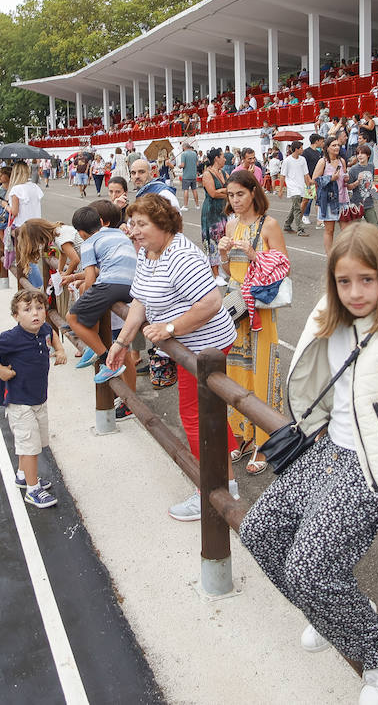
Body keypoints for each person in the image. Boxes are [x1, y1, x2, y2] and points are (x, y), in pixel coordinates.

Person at [239, 223, 378, 705]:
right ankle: (335, 615)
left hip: (372, 464)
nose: (355, 292)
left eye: (367, 279)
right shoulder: (331, 312)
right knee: (259, 531)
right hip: (329, 449)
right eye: (344, 281)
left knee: (309, 569)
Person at [106, 195, 240, 520]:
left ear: (163, 224)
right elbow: (139, 300)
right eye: (132, 223)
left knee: (193, 417)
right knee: (205, 413)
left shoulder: (181, 254)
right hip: (187, 346)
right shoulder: (149, 252)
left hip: (204, 346)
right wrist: (121, 342)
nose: (133, 230)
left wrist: (169, 328)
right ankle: (227, 461)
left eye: (141, 224)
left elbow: (210, 303)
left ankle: (214, 490)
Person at [218, 170, 288, 477]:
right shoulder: (231, 224)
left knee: (261, 369)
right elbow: (228, 268)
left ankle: (266, 439)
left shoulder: (268, 224)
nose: (235, 201)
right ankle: (244, 433)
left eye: (240, 195)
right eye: (231, 196)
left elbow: (284, 265)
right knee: (237, 369)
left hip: (259, 305)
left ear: (253, 193)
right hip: (235, 304)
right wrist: (222, 255)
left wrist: (254, 254)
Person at [0, 287, 67, 509]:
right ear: (16, 316)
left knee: (36, 442)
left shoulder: (43, 329)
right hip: (19, 402)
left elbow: (52, 335)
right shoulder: (12, 338)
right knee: (30, 447)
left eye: (39, 307)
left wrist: (60, 349)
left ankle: (24, 476)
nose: (35, 313)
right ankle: (32, 490)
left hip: (38, 399)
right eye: (27, 309)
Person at [64, 204, 137, 387]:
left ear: (81, 233)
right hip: (132, 285)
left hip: (110, 284)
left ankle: (107, 361)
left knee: (72, 318)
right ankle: (92, 347)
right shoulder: (117, 233)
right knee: (92, 310)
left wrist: (86, 297)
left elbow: (89, 279)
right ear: (101, 222)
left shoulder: (88, 243)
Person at [198, 149, 231, 283]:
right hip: (211, 211)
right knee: (212, 240)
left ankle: (221, 269)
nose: (225, 159)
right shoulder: (207, 174)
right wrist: (226, 192)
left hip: (222, 210)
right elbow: (212, 193)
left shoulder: (224, 172)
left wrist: (223, 191)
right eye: (223, 156)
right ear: (216, 158)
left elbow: (232, 187)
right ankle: (215, 274)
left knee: (222, 239)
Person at [312, 139, 349, 254]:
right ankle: (329, 254)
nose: (337, 147)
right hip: (329, 200)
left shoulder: (341, 161)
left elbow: (344, 177)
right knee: (329, 230)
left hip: (343, 198)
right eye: (333, 145)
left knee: (346, 230)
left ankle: (344, 253)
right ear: (327, 148)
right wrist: (330, 179)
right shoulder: (323, 162)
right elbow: (315, 179)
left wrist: (346, 178)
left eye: (338, 145)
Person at [283, 140, 311, 236]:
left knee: (294, 207)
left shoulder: (302, 160)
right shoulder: (287, 161)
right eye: (301, 148)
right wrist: (280, 189)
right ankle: (300, 229)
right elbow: (283, 175)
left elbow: (306, 174)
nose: (302, 150)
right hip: (292, 187)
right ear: (296, 149)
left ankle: (287, 225)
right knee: (297, 208)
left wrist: (308, 187)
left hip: (300, 186)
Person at [347, 144, 378, 225]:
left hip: (369, 203)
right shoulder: (353, 170)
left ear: (368, 155)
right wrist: (357, 182)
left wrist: (375, 193)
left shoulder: (371, 166)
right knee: (355, 229)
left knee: (374, 226)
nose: (359, 156)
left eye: (362, 153)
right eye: (358, 154)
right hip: (356, 204)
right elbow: (348, 187)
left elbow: (371, 183)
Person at [179, 141, 201, 210]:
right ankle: (197, 205)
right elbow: (197, 164)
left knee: (186, 190)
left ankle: (185, 206)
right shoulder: (194, 153)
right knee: (194, 190)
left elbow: (183, 165)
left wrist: (179, 166)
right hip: (193, 175)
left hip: (186, 175)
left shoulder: (183, 154)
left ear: (184, 147)